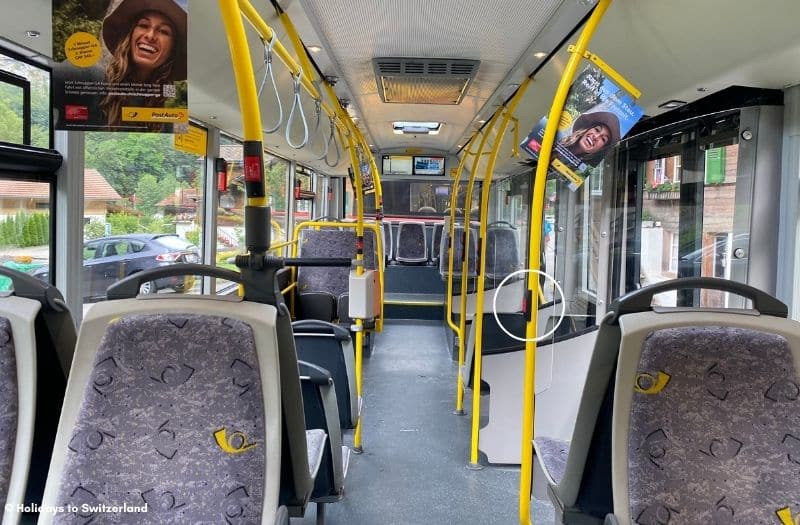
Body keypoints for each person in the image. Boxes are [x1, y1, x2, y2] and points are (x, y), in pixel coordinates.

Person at [99, 0, 187, 129]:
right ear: (130, 35)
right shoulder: (93, 79)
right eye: (144, 25)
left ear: (173, 50)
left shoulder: (164, 119)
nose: (151, 36)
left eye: (163, 31)